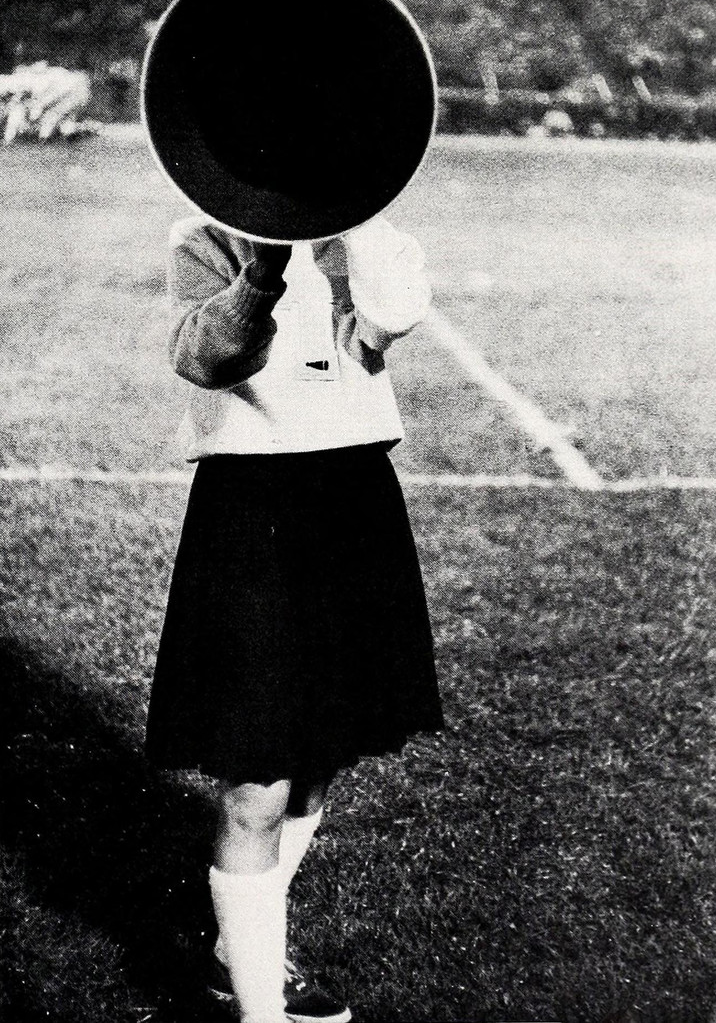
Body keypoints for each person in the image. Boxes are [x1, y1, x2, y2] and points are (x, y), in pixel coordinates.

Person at [144, 213, 444, 1023]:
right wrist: (260, 276)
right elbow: (207, 360)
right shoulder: (202, 233)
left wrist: (353, 225)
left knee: (318, 760)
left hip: (353, 502)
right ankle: (261, 1012)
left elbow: (387, 320)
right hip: (252, 507)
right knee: (257, 783)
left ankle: (235, 955)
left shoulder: (377, 230)